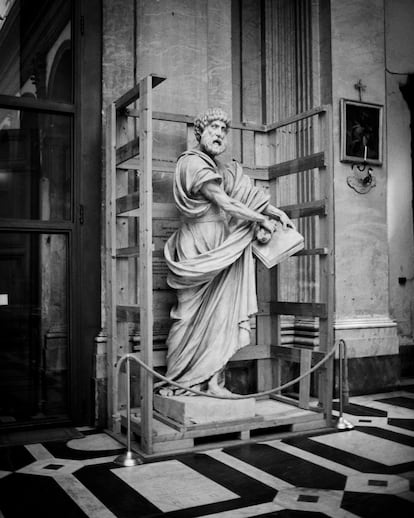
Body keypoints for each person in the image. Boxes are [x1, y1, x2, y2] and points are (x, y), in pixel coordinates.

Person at [158, 107, 294, 397]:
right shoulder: (193, 164)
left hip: (224, 245)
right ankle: (178, 379)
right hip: (198, 246)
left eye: (223, 129)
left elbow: (244, 195)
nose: (219, 134)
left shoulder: (223, 168)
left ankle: (213, 382)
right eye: (213, 128)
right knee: (187, 316)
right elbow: (225, 202)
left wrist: (274, 211)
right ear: (200, 132)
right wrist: (260, 220)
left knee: (222, 315)